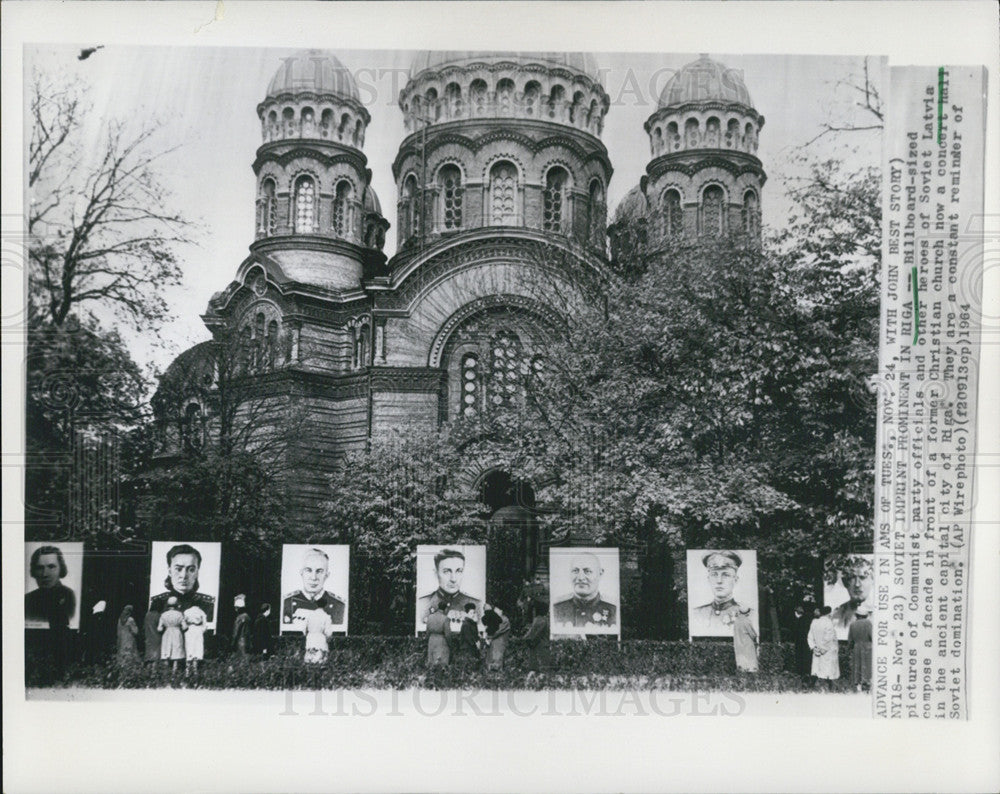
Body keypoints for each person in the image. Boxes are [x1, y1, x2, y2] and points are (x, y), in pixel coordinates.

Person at [690, 551, 755, 635]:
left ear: (735, 580)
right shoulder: (697, 613)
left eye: (726, 575)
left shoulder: (748, 613)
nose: (719, 581)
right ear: (708, 579)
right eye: (714, 575)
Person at [282, 548, 346, 632]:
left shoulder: (338, 605)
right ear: (301, 573)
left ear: (327, 575)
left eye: (319, 571)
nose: (313, 577)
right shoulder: (287, 602)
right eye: (308, 570)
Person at [417, 548, 482, 630]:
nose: (453, 579)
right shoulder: (423, 603)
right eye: (447, 571)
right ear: (436, 573)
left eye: (459, 571)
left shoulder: (477, 605)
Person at [149, 544, 216, 622]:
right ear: (170, 571)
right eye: (178, 569)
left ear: (197, 572)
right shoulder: (158, 603)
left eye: (191, 569)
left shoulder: (208, 604)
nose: (184, 576)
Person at [552, 552, 617, 630]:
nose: (580, 577)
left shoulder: (614, 610)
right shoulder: (556, 608)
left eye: (587, 571)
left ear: (600, 573)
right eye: (575, 571)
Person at [25, 545, 77, 629]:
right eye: (39, 568)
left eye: (51, 567)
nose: (45, 574)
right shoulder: (27, 599)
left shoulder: (70, 596)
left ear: (61, 569)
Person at [830, 556, 874, 638]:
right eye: (852, 578)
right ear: (845, 582)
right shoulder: (834, 616)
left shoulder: (884, 614)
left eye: (863, 577)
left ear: (872, 580)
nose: (857, 584)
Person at [808, 605, 840, 689]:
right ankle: (828, 689)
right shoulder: (828, 623)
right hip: (827, 651)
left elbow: (810, 637)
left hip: (817, 650)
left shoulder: (814, 622)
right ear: (828, 613)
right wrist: (823, 649)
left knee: (817, 670)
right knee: (828, 672)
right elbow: (828, 638)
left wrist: (814, 647)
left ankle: (814, 687)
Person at [157, 596, 186, 673]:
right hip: (177, 632)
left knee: (166, 651)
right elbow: (185, 627)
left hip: (167, 633)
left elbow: (159, 628)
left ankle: (165, 672)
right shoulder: (179, 614)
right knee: (176, 652)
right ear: (176, 605)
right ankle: (174, 671)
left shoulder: (163, 615)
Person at [847, 606, 873, 692]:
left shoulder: (852, 624)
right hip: (867, 647)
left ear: (857, 615)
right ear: (865, 615)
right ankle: (866, 685)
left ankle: (857, 685)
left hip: (857, 647)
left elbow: (850, 640)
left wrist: (849, 649)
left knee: (857, 666)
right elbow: (872, 636)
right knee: (867, 666)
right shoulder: (868, 623)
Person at [523, 601, 551, 673]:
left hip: (538, 649)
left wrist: (525, 640)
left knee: (538, 671)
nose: (533, 612)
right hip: (541, 648)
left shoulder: (540, 620)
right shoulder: (544, 620)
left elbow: (533, 636)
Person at [481, 604, 511, 671]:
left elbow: (497, 631)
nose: (494, 612)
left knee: (497, 664)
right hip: (495, 645)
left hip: (500, 645)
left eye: (496, 610)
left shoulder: (504, 620)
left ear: (501, 611)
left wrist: (487, 637)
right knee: (492, 663)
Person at [424, 600, 452, 668]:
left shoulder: (430, 617)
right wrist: (450, 644)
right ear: (445, 609)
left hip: (431, 640)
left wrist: (427, 640)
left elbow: (427, 631)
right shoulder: (446, 619)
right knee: (441, 663)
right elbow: (447, 634)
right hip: (441, 641)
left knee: (431, 662)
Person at [83, 600, 111, 664]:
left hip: (91, 636)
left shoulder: (92, 615)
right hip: (96, 636)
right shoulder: (99, 616)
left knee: (90, 650)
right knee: (95, 650)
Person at [183, 603, 207, 676]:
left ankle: (187, 671)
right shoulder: (202, 612)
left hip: (189, 630)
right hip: (198, 630)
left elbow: (183, 622)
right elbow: (205, 625)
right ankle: (195, 671)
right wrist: (201, 631)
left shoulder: (186, 611)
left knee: (189, 648)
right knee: (197, 649)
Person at [733, 605, 759, 672]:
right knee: (750, 664)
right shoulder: (747, 621)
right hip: (747, 644)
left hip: (738, 644)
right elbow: (752, 634)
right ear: (747, 613)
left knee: (741, 663)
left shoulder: (736, 621)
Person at [454, 603, 481, 667]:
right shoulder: (466, 624)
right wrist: (476, 644)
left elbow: (475, 634)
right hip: (467, 648)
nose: (473, 615)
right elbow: (468, 637)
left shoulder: (472, 623)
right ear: (467, 614)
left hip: (471, 647)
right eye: (471, 613)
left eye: (474, 613)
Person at [793, 603, 815, 681]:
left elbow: (796, 633)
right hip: (808, 643)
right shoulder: (808, 619)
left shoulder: (799, 621)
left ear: (796, 612)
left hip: (800, 644)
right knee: (807, 658)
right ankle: (807, 673)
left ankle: (802, 674)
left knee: (801, 658)